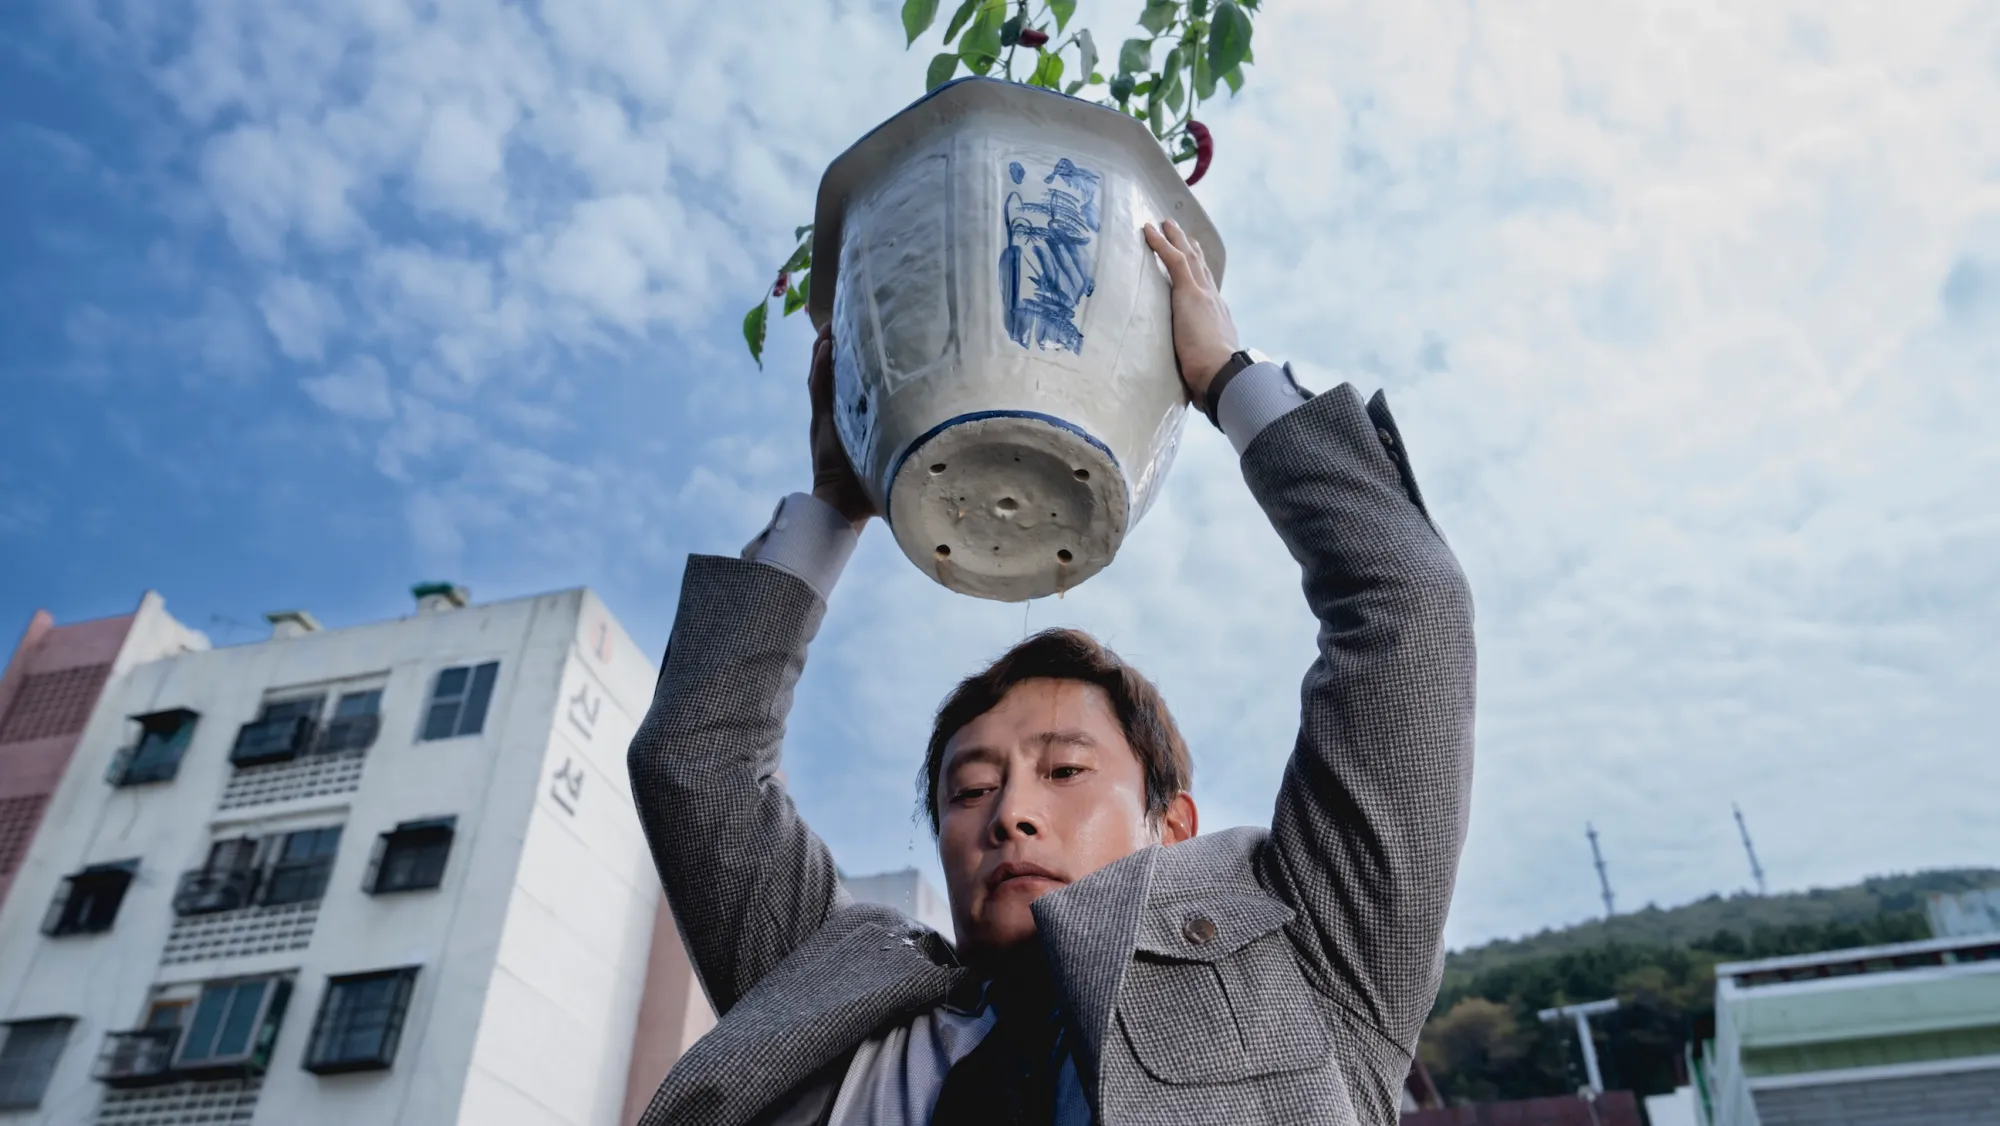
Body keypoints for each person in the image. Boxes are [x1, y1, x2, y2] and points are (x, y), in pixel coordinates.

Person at [628, 219, 1476, 1125]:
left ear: (1172, 826)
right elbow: (696, 759)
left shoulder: (1310, 955)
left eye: (1066, 770)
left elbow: (1409, 609)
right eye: (967, 790)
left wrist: (1226, 377)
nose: (1010, 814)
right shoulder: (828, 998)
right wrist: (837, 500)